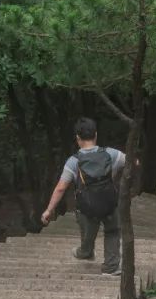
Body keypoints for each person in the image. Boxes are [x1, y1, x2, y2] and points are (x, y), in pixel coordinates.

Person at [41, 118, 124, 275]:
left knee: (88, 234)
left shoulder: (74, 161)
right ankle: (111, 267)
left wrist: (48, 210)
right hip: (109, 202)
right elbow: (134, 162)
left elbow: (60, 188)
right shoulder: (111, 153)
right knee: (112, 231)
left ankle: (86, 251)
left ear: (78, 138)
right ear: (96, 135)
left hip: (87, 207)